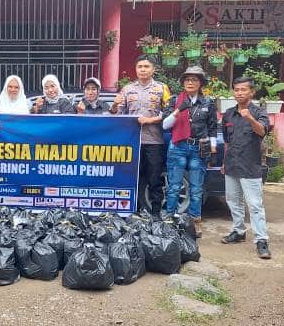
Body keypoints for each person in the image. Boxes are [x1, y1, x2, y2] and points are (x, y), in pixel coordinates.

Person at [111, 55, 171, 219]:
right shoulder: (127, 89)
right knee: (132, 177)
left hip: (154, 141)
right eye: (140, 66)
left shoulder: (161, 88)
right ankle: (133, 211)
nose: (143, 69)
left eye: (146, 66)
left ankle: (156, 213)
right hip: (132, 142)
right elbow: (116, 115)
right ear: (135, 69)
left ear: (153, 69)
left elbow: (170, 113)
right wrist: (115, 104)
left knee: (154, 178)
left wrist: (150, 120)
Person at [162, 66, 218, 237]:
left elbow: (212, 128)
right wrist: (180, 109)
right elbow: (164, 125)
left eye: (194, 79)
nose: (190, 82)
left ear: (201, 83)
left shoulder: (208, 102)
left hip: (198, 148)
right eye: (187, 80)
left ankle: (195, 221)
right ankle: (169, 220)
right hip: (178, 146)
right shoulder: (174, 100)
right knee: (174, 186)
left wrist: (213, 147)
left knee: (196, 188)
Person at [221, 77, 271, 259]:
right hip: (232, 164)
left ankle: (261, 241)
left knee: (255, 205)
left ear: (252, 92)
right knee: (233, 201)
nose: (239, 93)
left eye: (243, 90)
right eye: (236, 90)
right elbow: (227, 141)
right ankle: (238, 231)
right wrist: (224, 163)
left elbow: (262, 132)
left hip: (250, 165)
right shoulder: (228, 114)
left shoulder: (259, 112)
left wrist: (250, 118)